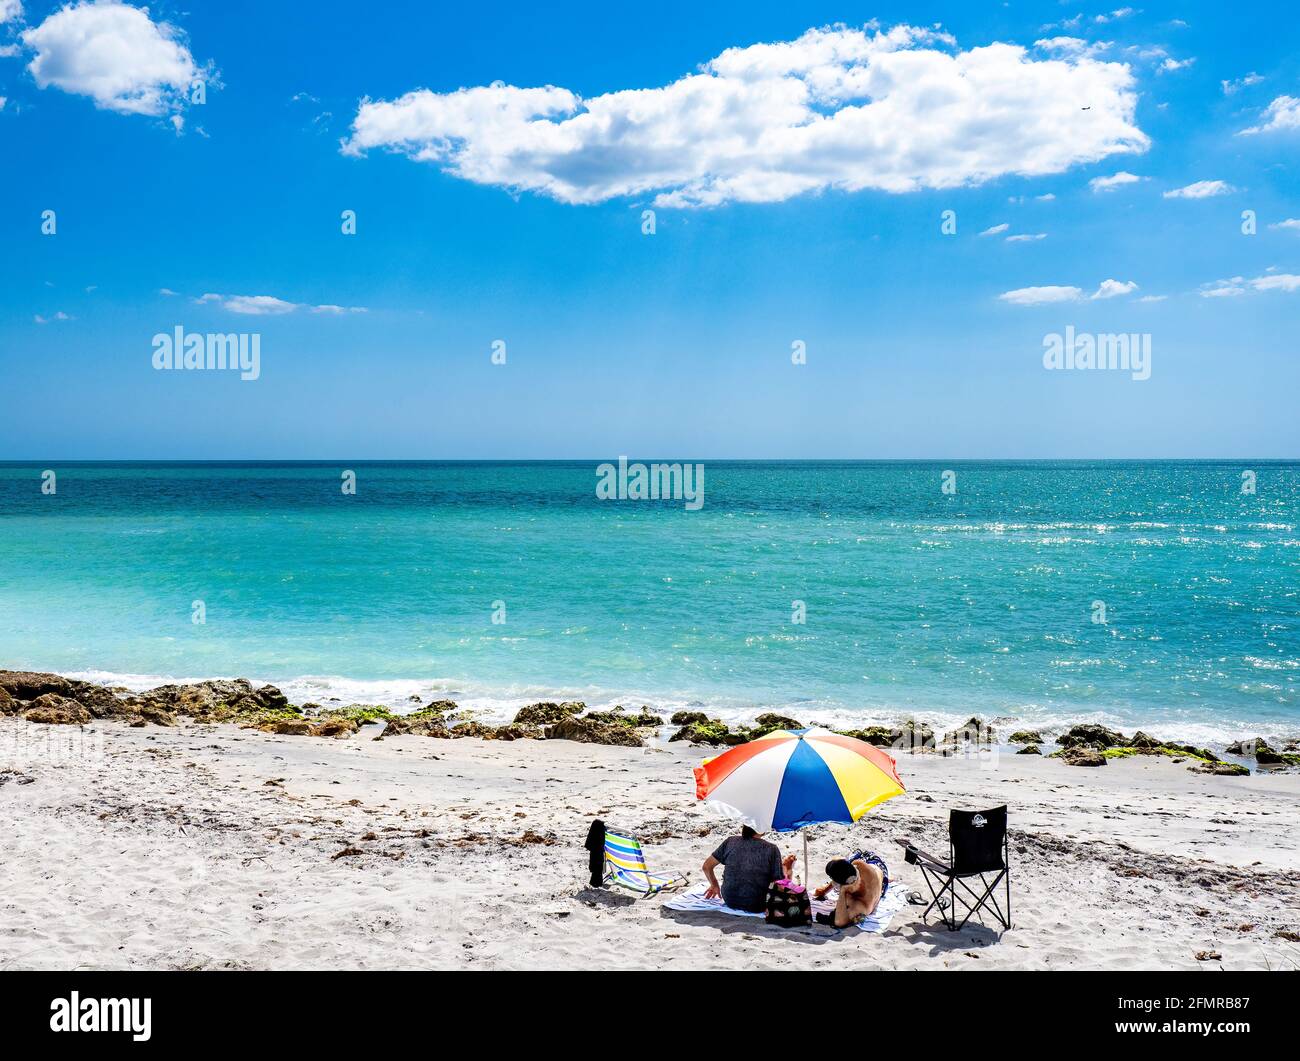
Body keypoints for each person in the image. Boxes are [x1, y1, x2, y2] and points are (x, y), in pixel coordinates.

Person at [702, 825, 796, 912]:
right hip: (758, 903)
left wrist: (714, 885)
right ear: (761, 828)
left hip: (730, 899)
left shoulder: (730, 842)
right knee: (784, 884)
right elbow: (779, 885)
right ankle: (786, 869)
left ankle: (785, 868)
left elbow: (706, 866)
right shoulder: (771, 849)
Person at [813, 850, 889, 927]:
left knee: (847, 898)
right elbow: (843, 872)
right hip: (871, 864)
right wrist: (825, 890)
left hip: (878, 868)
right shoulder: (857, 864)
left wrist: (842, 892)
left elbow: (839, 922)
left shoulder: (862, 904)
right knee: (836, 862)